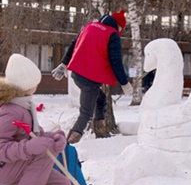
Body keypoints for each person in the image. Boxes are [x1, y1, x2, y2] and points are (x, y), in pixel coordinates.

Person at [0, 54, 71, 185]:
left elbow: (33, 135)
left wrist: (53, 137)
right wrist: (29, 147)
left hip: (17, 164)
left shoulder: (25, 105)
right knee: (45, 150)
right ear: (26, 85)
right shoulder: (10, 112)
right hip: (0, 166)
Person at [51, 9, 133, 144]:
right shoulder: (112, 35)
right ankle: (68, 143)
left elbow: (74, 45)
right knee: (86, 114)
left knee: (101, 100)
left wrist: (64, 64)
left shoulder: (90, 26)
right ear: (118, 26)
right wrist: (124, 83)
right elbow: (116, 62)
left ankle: (100, 132)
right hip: (90, 80)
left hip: (77, 75)